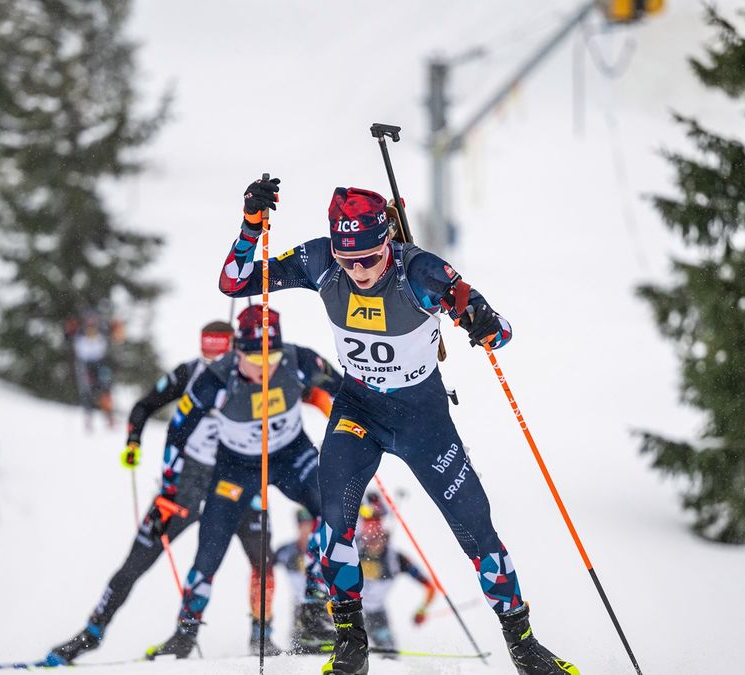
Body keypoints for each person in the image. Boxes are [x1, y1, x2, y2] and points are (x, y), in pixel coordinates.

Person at [219, 177, 578, 675]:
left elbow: (502, 333)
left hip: (423, 420)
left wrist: (482, 322)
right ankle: (351, 645)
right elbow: (236, 283)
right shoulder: (321, 261)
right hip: (359, 411)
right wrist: (250, 225)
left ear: (388, 238)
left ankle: (523, 646)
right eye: (349, 262)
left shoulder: (421, 271)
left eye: (369, 257)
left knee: (477, 529)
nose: (360, 271)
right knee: (335, 525)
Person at [44, 321, 292, 664]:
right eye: (207, 356)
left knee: (262, 557)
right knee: (138, 559)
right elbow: (144, 405)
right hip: (187, 480)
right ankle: (92, 633)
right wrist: (133, 441)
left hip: (238, 478)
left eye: (219, 358)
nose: (212, 367)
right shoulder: (189, 373)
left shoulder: (257, 377)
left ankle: (255, 635)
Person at [146, 306, 341, 660]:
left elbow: (344, 391)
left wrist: (356, 431)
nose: (265, 367)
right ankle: (184, 635)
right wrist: (168, 489)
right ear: (237, 352)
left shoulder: (299, 359)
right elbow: (177, 431)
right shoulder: (216, 379)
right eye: (254, 359)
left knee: (334, 507)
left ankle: (314, 611)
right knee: (209, 550)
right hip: (236, 468)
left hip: (289, 454)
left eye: (273, 357)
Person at [354, 493, 436, 656]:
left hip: (376, 615)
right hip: (349, 612)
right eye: (367, 524)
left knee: (390, 656)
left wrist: (422, 610)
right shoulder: (350, 550)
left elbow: (430, 587)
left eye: (376, 524)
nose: (371, 530)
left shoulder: (396, 559)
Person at [273, 507, 324, 647]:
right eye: (303, 525)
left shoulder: (324, 550)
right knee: (300, 643)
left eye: (310, 525)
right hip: (300, 605)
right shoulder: (286, 551)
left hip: (325, 603)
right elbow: (265, 564)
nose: (306, 530)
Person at [68, 314, 118, 431]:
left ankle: (109, 418)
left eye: (93, 323)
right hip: (84, 365)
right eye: (89, 323)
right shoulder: (79, 333)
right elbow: (68, 337)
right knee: (87, 392)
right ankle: (88, 419)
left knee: (105, 390)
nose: (91, 326)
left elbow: (114, 335)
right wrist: (69, 329)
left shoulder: (102, 332)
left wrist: (115, 327)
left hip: (99, 364)